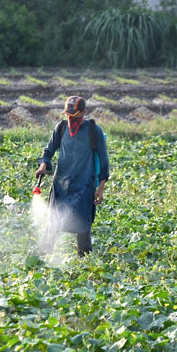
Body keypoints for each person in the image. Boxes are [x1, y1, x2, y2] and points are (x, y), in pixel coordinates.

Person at [35, 96, 109, 256]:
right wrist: (43, 165)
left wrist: (100, 188)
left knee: (83, 227)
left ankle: (84, 265)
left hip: (84, 187)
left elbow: (104, 162)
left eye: (74, 116)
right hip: (61, 186)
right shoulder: (61, 128)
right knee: (53, 224)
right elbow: (48, 151)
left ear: (83, 112)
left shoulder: (93, 131)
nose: (70, 119)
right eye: (68, 115)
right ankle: (42, 260)